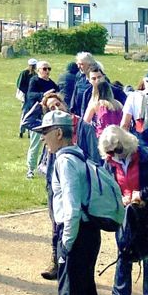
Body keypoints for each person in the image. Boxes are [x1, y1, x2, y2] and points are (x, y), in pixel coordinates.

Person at [32, 110, 108, 295]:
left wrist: (65, 244)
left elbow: (72, 208)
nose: (43, 139)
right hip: (88, 234)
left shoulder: (64, 161)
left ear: (59, 133)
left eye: (45, 133)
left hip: (75, 233)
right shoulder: (79, 155)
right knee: (86, 290)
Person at [99, 126, 148, 295]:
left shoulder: (147, 156)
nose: (114, 155)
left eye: (117, 150)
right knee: (124, 253)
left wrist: (144, 195)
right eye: (109, 152)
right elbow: (106, 187)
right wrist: (119, 199)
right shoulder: (109, 163)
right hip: (126, 215)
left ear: (125, 144)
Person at [36, 91, 100, 280]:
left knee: (72, 219)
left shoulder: (83, 128)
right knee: (57, 223)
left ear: (65, 104)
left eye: (58, 104)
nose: (56, 108)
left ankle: (69, 261)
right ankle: (56, 261)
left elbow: (95, 159)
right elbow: (45, 158)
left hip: (78, 183)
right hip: (54, 183)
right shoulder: (51, 132)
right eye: (51, 107)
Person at [15, 58, 37, 137]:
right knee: (25, 113)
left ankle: (29, 132)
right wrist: (27, 92)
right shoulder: (24, 73)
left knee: (30, 113)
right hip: (25, 97)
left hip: (31, 98)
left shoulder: (35, 75)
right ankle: (21, 131)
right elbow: (20, 85)